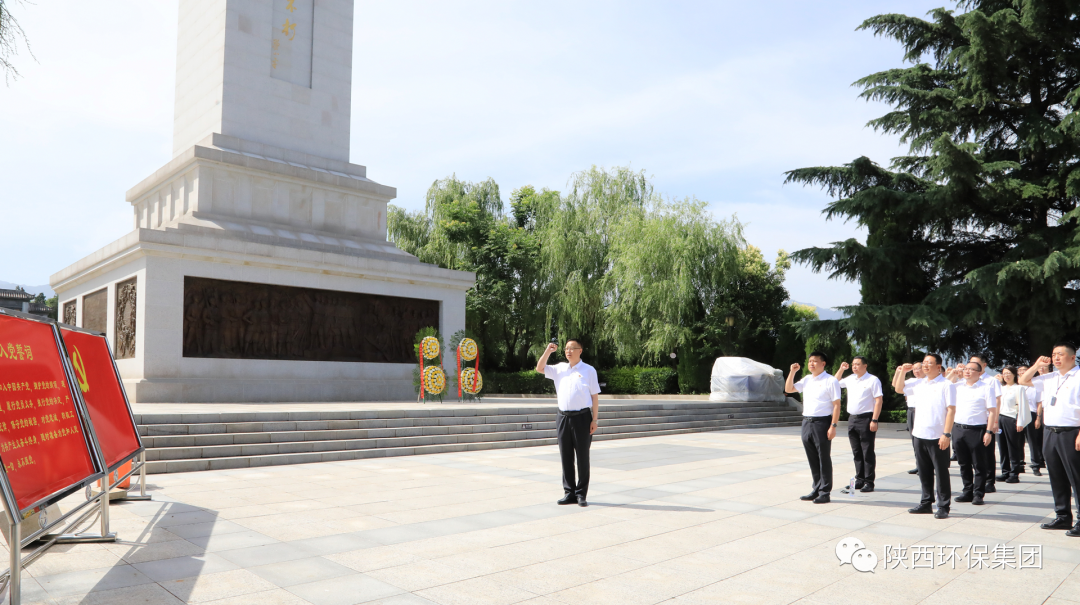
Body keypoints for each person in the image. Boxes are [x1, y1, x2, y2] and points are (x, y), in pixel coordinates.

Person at [1021, 344, 1080, 536]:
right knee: (1056, 475)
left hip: (1071, 432)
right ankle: (1063, 516)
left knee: (1076, 477)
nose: (1056, 358)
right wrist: (1037, 364)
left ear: (1072, 358)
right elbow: (1023, 380)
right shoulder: (1049, 378)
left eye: (1060, 355)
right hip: (1050, 432)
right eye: (1054, 355)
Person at [536, 339, 600, 507]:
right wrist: (548, 351)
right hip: (563, 417)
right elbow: (540, 368)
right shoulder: (559, 369)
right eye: (566, 349)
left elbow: (594, 396)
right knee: (566, 457)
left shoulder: (589, 370)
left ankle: (581, 494)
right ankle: (569, 492)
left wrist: (594, 419)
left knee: (582, 457)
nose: (568, 351)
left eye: (572, 348)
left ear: (580, 350)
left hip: (583, 418)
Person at [785, 351, 842, 504]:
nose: (811, 364)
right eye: (810, 361)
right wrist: (792, 372)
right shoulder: (807, 379)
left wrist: (833, 426)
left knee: (823, 458)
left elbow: (837, 405)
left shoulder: (831, 381)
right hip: (807, 422)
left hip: (822, 422)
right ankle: (816, 488)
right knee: (812, 458)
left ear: (823, 364)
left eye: (815, 361)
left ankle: (825, 492)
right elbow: (789, 389)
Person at [910, 353, 955, 519]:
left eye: (929, 363)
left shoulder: (947, 384)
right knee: (923, 471)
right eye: (923, 363)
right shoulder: (919, 384)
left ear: (938, 367)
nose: (925, 366)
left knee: (941, 472)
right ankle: (926, 502)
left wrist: (946, 433)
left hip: (938, 436)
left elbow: (951, 410)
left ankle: (943, 506)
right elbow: (899, 388)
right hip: (919, 434)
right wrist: (902, 371)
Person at [945, 361, 997, 505]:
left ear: (979, 373)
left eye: (971, 370)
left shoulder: (986, 388)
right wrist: (954, 373)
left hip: (977, 429)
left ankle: (978, 494)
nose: (967, 372)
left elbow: (992, 411)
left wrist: (989, 431)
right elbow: (943, 386)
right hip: (958, 429)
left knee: (979, 464)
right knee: (963, 463)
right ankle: (967, 491)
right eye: (966, 369)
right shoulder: (957, 386)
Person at [835, 357, 883, 492]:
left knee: (867, 451)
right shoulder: (850, 378)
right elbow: (835, 382)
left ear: (865, 366)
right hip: (852, 419)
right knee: (856, 451)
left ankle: (869, 482)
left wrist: (874, 420)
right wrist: (841, 369)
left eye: (857, 364)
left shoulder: (872, 380)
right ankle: (859, 480)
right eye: (853, 364)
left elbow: (878, 400)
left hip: (866, 419)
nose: (854, 367)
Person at [969, 355, 1002, 492]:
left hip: (987, 421)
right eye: (970, 364)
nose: (972, 366)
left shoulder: (991, 381)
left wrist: (994, 421)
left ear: (983, 365)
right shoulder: (967, 380)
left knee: (987, 452)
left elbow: (998, 401)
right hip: (973, 422)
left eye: (976, 364)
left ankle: (989, 481)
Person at [997, 366, 1029, 483]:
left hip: (1011, 418)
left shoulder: (1019, 388)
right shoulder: (1001, 388)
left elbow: (1022, 406)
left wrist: (1020, 422)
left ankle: (1014, 473)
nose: (1007, 375)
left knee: (1013, 446)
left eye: (1009, 373)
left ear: (1014, 375)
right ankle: (1005, 471)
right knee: (1002, 446)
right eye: (1004, 373)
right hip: (1000, 418)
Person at [893, 362, 925, 474]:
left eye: (919, 368)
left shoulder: (928, 381)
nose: (916, 371)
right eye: (914, 369)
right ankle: (919, 465)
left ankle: (927, 465)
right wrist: (901, 372)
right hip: (911, 411)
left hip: (923, 411)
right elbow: (896, 387)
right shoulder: (911, 381)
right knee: (914, 440)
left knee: (925, 440)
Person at [1023, 364, 1045, 476]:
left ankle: (1036, 465)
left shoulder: (1035, 386)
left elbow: (1039, 403)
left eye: (1024, 371)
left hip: (1031, 414)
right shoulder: (1017, 386)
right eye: (1020, 371)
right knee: (1017, 442)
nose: (1022, 372)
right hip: (1017, 415)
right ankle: (1019, 464)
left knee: (1033, 441)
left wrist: (1038, 417)